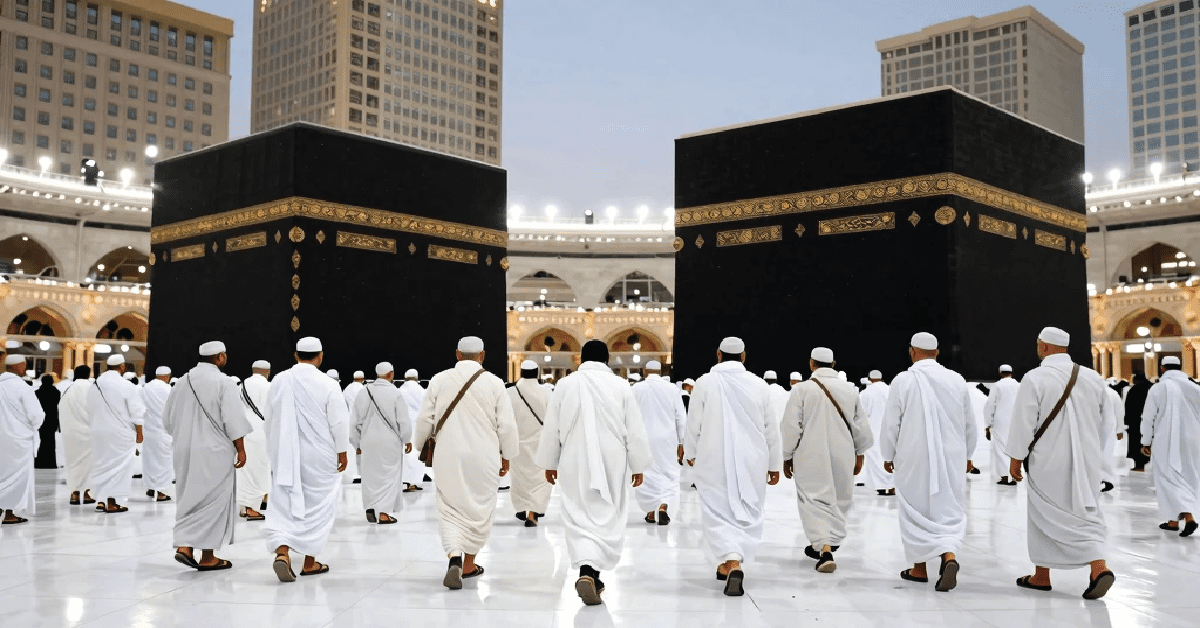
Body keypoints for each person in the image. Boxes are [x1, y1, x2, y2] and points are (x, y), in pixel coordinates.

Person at [537, 340, 652, 606]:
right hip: (613, 457)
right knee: (606, 512)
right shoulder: (621, 386)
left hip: (574, 457)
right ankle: (593, 574)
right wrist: (638, 464)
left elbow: (551, 426)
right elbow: (634, 428)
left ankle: (587, 570)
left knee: (579, 512)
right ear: (607, 359)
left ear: (580, 359)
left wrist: (549, 462)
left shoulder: (566, 384)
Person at [1007, 327, 1116, 600]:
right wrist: (1098, 457)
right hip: (1087, 460)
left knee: (1043, 514)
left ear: (1043, 347)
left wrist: (1015, 459)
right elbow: (1106, 424)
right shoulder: (1093, 378)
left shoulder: (1034, 378)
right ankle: (1098, 567)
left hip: (1048, 460)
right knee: (1086, 511)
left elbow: (1023, 421)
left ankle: (1042, 576)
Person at [413, 336, 519, 590]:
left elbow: (424, 419)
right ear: (482, 356)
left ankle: (454, 557)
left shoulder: (439, 380)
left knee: (449, 507)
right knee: (479, 508)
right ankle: (469, 563)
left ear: (457, 355)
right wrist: (507, 456)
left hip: (447, 455)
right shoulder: (494, 383)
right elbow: (506, 425)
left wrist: (419, 445)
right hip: (484, 456)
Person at [685, 337, 782, 597]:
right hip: (752, 459)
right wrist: (774, 464)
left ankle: (730, 560)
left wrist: (691, 453)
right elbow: (770, 429)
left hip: (712, 457)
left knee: (717, 510)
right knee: (747, 507)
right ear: (743, 357)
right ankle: (734, 559)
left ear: (718, 354)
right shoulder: (759, 385)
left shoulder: (704, 383)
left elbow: (693, 424)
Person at [879, 332, 976, 592]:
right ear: (938, 352)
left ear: (912, 351)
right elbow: (969, 423)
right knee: (948, 507)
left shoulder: (904, 380)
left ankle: (919, 569)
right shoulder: (956, 380)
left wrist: (887, 454)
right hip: (951, 457)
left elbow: (892, 423)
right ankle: (949, 557)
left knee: (914, 509)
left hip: (914, 457)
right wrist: (968, 455)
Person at [264, 337, 350, 583]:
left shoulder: (279, 380)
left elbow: (269, 419)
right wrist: (342, 450)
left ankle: (282, 552)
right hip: (319, 455)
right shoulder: (328, 383)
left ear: (295, 355)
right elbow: (338, 421)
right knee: (318, 503)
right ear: (320, 356)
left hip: (285, 452)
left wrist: (276, 449)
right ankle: (310, 563)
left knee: (283, 500)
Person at [783, 348, 873, 573]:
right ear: (833, 364)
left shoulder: (801, 390)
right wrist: (859, 454)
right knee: (838, 499)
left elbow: (791, 426)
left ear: (812, 363)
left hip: (810, 454)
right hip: (843, 453)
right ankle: (828, 542)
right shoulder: (850, 389)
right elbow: (861, 426)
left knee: (814, 500)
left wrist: (786, 456)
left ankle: (824, 549)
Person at [164, 341, 251, 571]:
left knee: (188, 497)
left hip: (184, 449)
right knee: (213, 501)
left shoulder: (181, 382)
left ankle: (185, 545)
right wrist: (241, 448)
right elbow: (233, 419)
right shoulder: (225, 382)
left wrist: (186, 437)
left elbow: (167, 421)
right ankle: (208, 556)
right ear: (220, 357)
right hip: (214, 451)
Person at [1140, 356, 1200, 536]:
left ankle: (1188, 517)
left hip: (1164, 439)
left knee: (1168, 477)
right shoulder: (1195, 387)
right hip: (1193, 438)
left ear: (1162, 368)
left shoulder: (1158, 388)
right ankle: (1173, 521)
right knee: (1188, 475)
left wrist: (1146, 441)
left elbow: (1148, 417)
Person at [350, 362, 411, 525]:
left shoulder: (364, 391)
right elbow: (403, 420)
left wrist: (356, 443)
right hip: (390, 441)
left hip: (368, 440)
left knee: (370, 476)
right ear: (390, 374)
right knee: (389, 476)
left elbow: (355, 421)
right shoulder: (395, 393)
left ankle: (371, 506)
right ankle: (383, 514)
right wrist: (407, 439)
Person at [88, 354, 146, 513]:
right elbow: (136, 412)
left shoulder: (95, 384)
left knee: (101, 464)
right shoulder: (127, 386)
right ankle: (112, 502)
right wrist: (139, 433)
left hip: (97, 431)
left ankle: (100, 500)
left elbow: (89, 407)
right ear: (122, 367)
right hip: (119, 433)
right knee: (118, 467)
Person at [632, 360, 688, 525]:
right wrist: (681, 442)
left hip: (643, 437)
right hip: (667, 439)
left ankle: (650, 512)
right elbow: (681, 417)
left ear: (645, 371)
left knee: (647, 473)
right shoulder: (672, 389)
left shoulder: (636, 389)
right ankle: (663, 506)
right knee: (668, 472)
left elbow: (629, 415)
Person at [0, 355, 46, 524]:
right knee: (16, 476)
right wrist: (38, 422)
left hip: (1, 437)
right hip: (18, 440)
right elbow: (36, 415)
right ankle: (10, 513)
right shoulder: (21, 386)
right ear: (19, 366)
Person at [507, 360, 552, 526]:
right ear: (537, 373)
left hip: (517, 444)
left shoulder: (510, 393)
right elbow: (552, 421)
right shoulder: (545, 393)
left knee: (519, 479)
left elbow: (505, 421)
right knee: (539, 480)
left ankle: (522, 507)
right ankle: (532, 514)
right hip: (540, 444)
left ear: (521, 373)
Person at [237, 360, 272, 520]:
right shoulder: (268, 386)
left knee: (245, 471)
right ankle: (252, 508)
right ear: (267, 371)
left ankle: (244, 507)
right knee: (260, 470)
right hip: (261, 433)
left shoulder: (241, 386)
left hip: (242, 432)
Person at [60, 365, 95, 505]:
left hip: (70, 433)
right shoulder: (91, 388)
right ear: (88, 374)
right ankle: (87, 494)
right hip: (88, 431)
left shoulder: (68, 389)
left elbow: (61, 410)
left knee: (72, 463)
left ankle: (74, 494)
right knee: (88, 464)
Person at [139, 367, 175, 502]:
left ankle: (151, 488)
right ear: (167, 376)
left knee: (149, 461)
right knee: (164, 462)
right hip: (163, 431)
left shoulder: (145, 388)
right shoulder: (168, 390)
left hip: (148, 431)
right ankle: (160, 492)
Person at [983, 365, 1021, 486]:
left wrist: (988, 424)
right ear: (1012, 373)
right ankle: (1014, 475)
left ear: (1000, 373)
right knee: (1013, 447)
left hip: (1001, 421)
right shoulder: (1019, 385)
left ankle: (1005, 477)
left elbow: (990, 405)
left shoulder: (997, 385)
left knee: (1000, 448)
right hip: (1016, 420)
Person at [859, 370, 894, 496]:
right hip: (890, 429)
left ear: (870, 378)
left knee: (876, 458)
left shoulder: (867, 392)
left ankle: (882, 486)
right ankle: (892, 485)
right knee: (889, 457)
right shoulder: (889, 389)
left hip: (874, 429)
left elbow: (863, 413)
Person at [398, 369, 428, 492]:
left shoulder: (399, 391)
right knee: (418, 454)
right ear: (416, 378)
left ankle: (407, 481)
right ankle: (415, 482)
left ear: (405, 378)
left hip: (403, 427)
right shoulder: (422, 391)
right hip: (420, 427)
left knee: (405, 454)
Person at [1125, 373, 1152, 471]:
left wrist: (1127, 420)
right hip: (1145, 421)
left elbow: (1130, 406)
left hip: (1136, 421)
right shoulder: (1149, 388)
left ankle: (1140, 465)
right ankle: (1142, 463)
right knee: (1144, 442)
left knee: (1137, 443)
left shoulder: (1136, 389)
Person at [33, 374, 59, 469]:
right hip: (52, 419)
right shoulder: (56, 392)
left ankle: (40, 461)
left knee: (42, 440)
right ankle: (51, 462)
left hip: (41, 419)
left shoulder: (37, 392)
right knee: (51, 441)